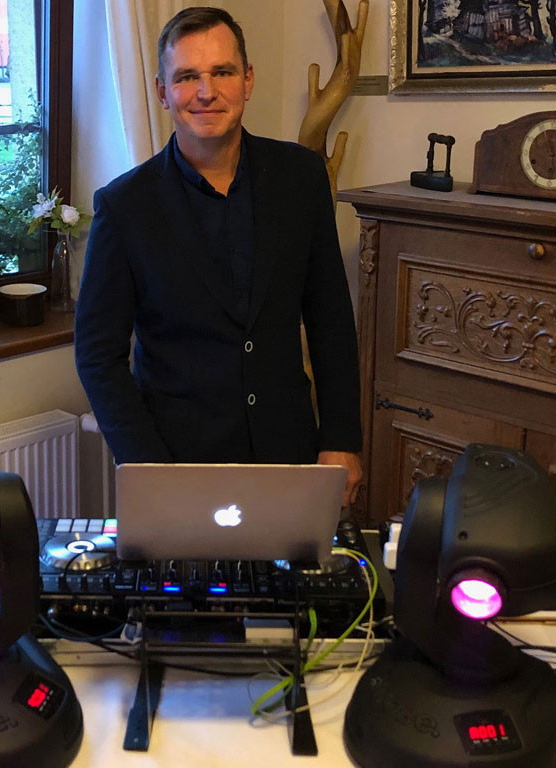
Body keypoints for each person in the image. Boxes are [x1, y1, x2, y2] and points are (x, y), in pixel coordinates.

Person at [74, 7, 363, 504]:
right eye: (187, 76)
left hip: (290, 454)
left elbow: (330, 318)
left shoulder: (300, 178)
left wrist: (341, 438)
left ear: (247, 80)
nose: (206, 92)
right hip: (175, 464)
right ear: (162, 91)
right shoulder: (124, 207)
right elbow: (98, 356)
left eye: (222, 72)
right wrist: (146, 467)